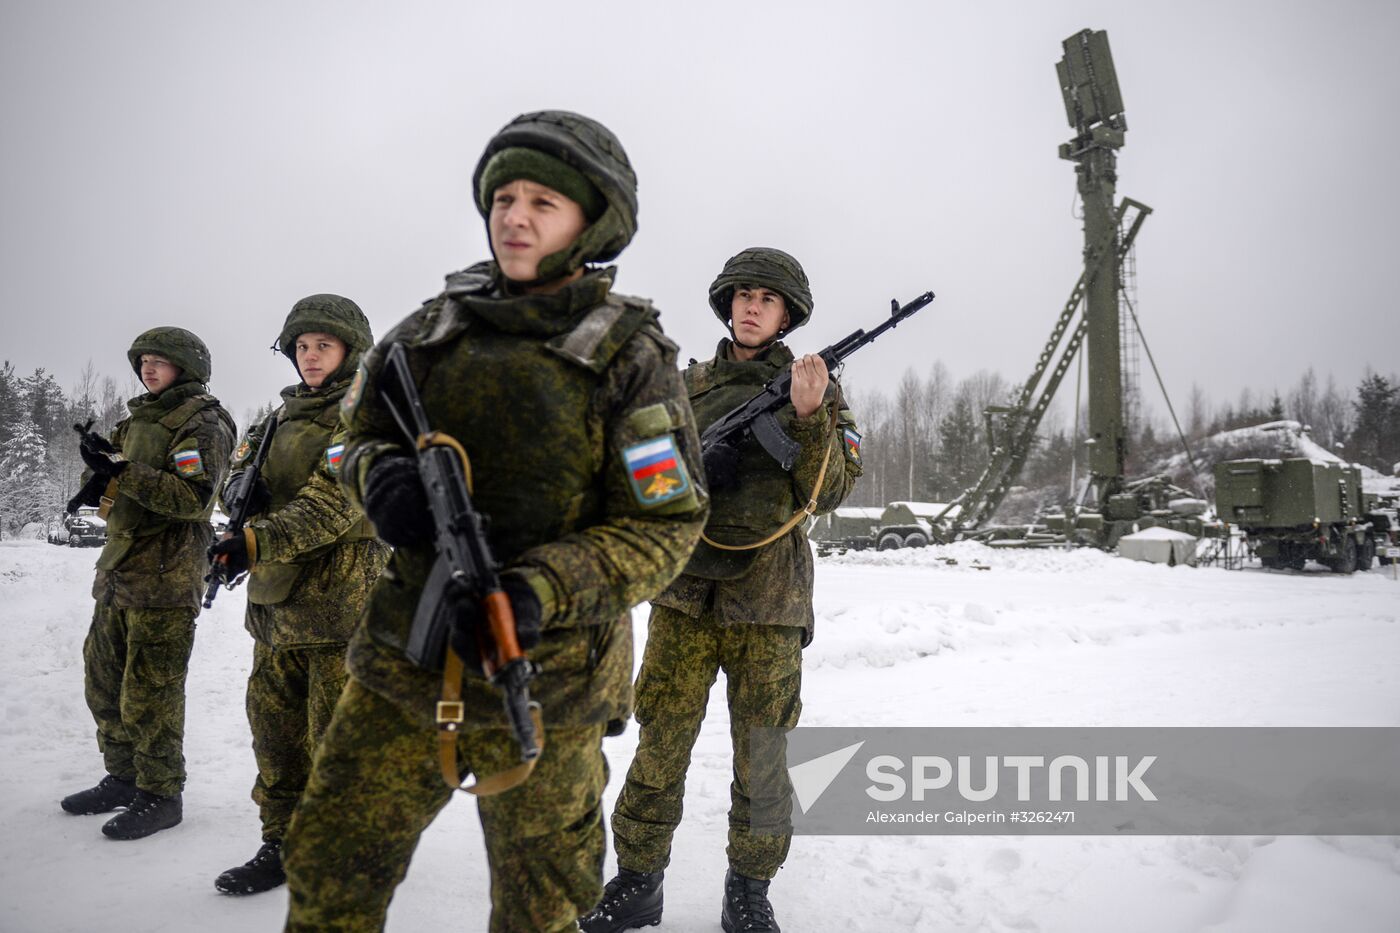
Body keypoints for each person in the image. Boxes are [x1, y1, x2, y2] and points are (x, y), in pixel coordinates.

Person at [280, 110, 709, 933]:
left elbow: (666, 524)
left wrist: (542, 588)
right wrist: (382, 478)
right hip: (404, 662)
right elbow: (353, 437)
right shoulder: (427, 332)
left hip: (546, 683)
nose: (515, 216)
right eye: (504, 196)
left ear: (593, 221)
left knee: (541, 909)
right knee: (328, 870)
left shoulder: (629, 357)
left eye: (544, 201)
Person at [583, 248, 862, 933]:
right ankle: (639, 880)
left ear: (787, 312)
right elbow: (637, 474)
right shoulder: (687, 384)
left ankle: (749, 890)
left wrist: (806, 415)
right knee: (659, 746)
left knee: (764, 757)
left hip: (769, 603)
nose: (751, 305)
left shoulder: (819, 389)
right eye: (741, 294)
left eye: (766, 298)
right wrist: (694, 471)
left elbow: (830, 490)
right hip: (684, 597)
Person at [208, 295, 389, 895]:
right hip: (277, 608)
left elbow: (333, 505)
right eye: (302, 347)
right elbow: (232, 481)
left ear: (350, 352)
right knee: (275, 734)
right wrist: (242, 505)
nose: (310, 357)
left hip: (343, 606)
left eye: (324, 346)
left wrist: (254, 541)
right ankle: (281, 842)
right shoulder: (275, 419)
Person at [60, 327, 236, 839]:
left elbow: (193, 498)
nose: (148, 369)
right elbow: (119, 473)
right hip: (119, 570)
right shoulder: (137, 419)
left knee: (150, 693)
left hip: (167, 572)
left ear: (188, 367)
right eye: (144, 361)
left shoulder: (203, 423)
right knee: (103, 680)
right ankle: (122, 777)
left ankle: (161, 794)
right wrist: (98, 472)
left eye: (160, 361)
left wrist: (121, 469)